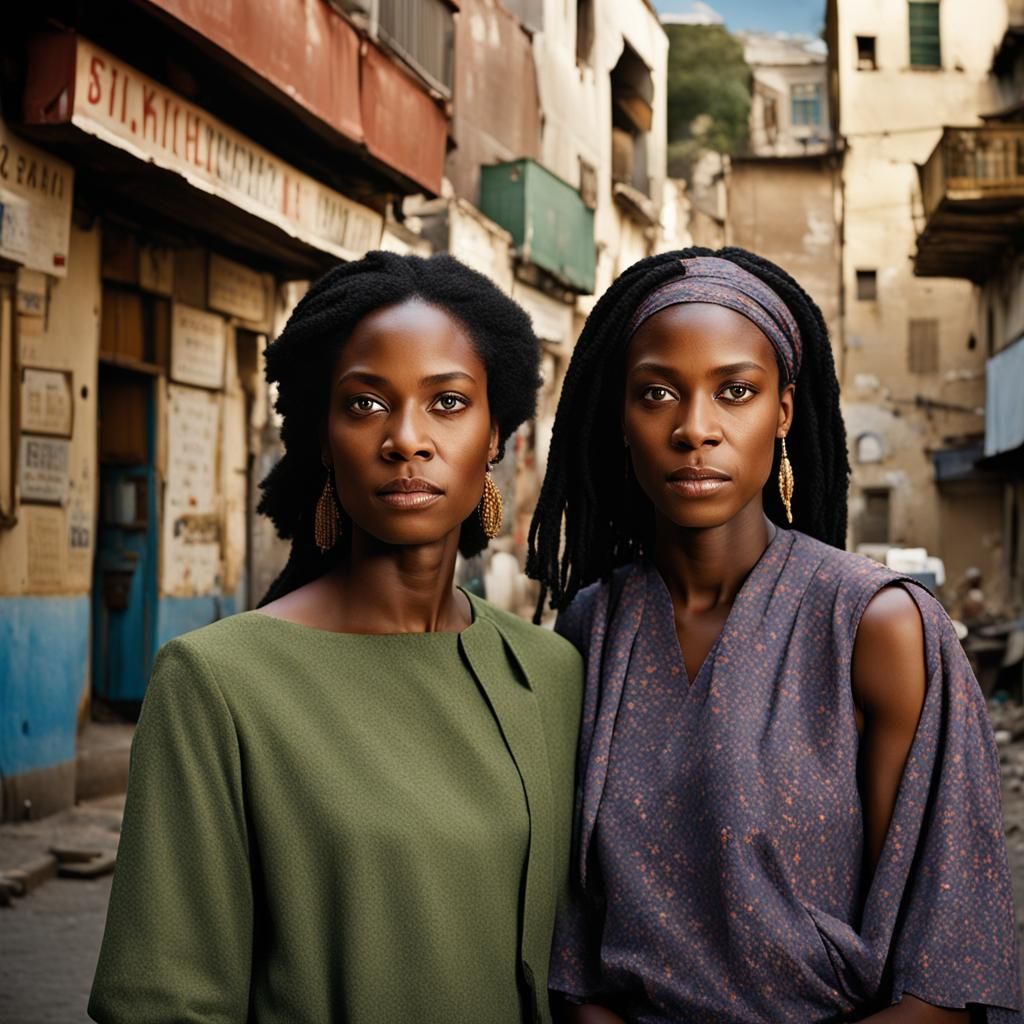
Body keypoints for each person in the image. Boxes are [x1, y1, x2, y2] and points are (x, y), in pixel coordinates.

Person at [528, 248, 1022, 1023]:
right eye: (657, 393)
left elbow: (945, 978)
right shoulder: (593, 624)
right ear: (622, 416)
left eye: (736, 391)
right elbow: (574, 951)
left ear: (783, 411)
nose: (696, 429)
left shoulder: (877, 626)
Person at [89, 251, 583, 1024]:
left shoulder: (550, 671)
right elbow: (162, 1001)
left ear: (495, 435)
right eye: (365, 405)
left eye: (448, 402)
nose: (407, 439)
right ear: (323, 438)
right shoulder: (215, 683)